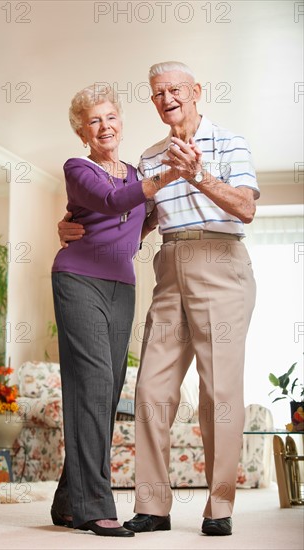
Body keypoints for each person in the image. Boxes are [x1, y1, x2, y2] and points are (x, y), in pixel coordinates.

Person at [58, 61, 259, 537]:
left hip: (222, 260)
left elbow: (247, 208)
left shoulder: (230, 141)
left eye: (174, 89)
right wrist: (72, 227)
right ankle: (152, 505)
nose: (166, 98)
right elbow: (132, 217)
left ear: (196, 91)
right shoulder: (149, 158)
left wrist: (198, 176)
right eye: (156, 93)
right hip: (169, 265)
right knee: (151, 389)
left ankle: (219, 507)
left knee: (219, 394)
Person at [50, 83, 175, 538]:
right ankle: (94, 508)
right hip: (78, 279)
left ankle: (68, 499)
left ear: (121, 122)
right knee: (95, 383)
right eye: (94, 120)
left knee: (108, 388)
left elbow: (132, 226)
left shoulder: (134, 171)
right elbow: (108, 202)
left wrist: (160, 210)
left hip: (122, 285)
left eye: (111, 117)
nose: (105, 126)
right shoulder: (77, 167)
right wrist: (163, 179)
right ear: (83, 132)